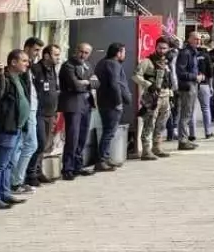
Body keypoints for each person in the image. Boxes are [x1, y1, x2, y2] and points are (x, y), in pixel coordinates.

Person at [0, 49, 32, 210]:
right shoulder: (5, 78)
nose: (27, 64)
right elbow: (0, 99)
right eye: (24, 61)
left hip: (18, 128)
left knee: (8, 163)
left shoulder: (19, 78)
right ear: (13, 62)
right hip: (7, 127)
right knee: (0, 163)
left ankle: (5, 193)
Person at [8, 39, 43, 195]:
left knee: (25, 146)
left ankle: (16, 181)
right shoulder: (19, 71)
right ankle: (15, 182)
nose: (37, 54)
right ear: (27, 49)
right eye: (35, 50)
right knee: (28, 145)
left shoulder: (31, 69)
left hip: (32, 111)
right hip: (25, 113)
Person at [58, 43, 98, 178]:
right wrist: (87, 82)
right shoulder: (68, 65)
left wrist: (84, 82)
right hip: (73, 104)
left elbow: (96, 83)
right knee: (72, 137)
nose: (83, 55)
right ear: (76, 51)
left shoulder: (88, 65)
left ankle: (78, 165)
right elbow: (74, 85)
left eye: (86, 53)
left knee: (82, 136)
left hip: (86, 103)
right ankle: (67, 168)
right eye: (81, 51)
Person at [92, 43, 132, 171]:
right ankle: (102, 160)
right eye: (123, 52)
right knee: (108, 132)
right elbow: (115, 84)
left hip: (104, 101)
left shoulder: (102, 63)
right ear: (118, 53)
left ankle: (105, 157)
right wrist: (118, 101)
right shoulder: (113, 64)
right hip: (111, 103)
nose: (124, 55)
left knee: (108, 131)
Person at [26, 43, 60, 187]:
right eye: (56, 55)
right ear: (47, 55)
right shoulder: (36, 69)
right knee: (38, 143)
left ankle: (38, 172)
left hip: (50, 112)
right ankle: (31, 174)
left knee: (45, 144)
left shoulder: (52, 69)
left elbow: (55, 89)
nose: (59, 58)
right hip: (38, 112)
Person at [133, 46, 174, 160]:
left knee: (161, 124)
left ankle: (157, 147)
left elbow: (168, 80)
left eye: (165, 48)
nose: (162, 50)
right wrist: (148, 84)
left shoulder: (166, 63)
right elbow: (136, 76)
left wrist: (171, 96)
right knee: (149, 123)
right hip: (152, 97)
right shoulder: (147, 61)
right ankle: (146, 151)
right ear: (156, 48)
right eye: (160, 48)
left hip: (165, 96)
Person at [174, 32, 202, 147]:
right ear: (189, 39)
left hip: (193, 85)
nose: (198, 41)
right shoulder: (185, 53)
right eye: (196, 39)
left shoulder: (193, 53)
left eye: (199, 39)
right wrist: (195, 77)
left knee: (189, 113)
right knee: (185, 114)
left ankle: (185, 138)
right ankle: (183, 140)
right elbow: (180, 72)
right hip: (187, 86)